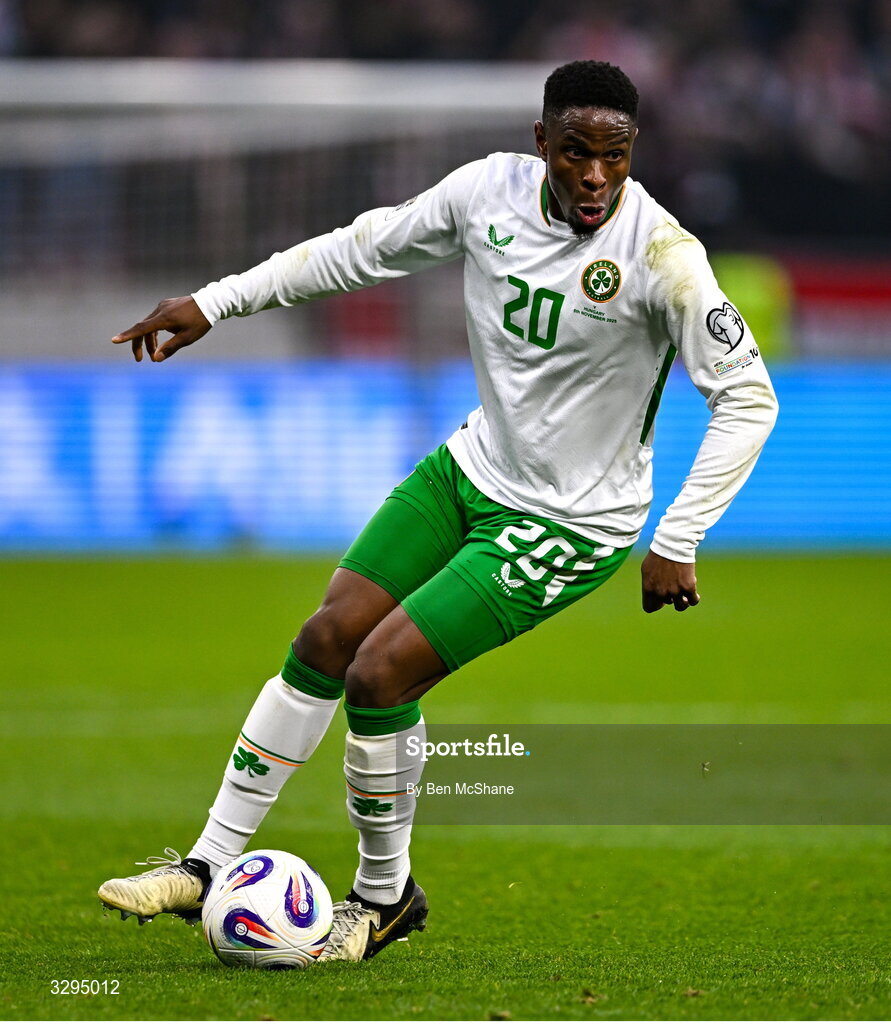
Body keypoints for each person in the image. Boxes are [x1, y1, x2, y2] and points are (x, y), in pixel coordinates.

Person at [98, 60, 778, 962]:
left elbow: (749, 397)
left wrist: (679, 534)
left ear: (631, 153)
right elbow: (359, 246)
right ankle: (206, 863)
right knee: (324, 641)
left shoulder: (664, 259)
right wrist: (215, 304)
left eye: (612, 156)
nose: (593, 176)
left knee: (378, 677)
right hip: (470, 468)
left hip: (571, 521)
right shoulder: (483, 193)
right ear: (542, 145)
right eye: (574, 152)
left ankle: (383, 898)